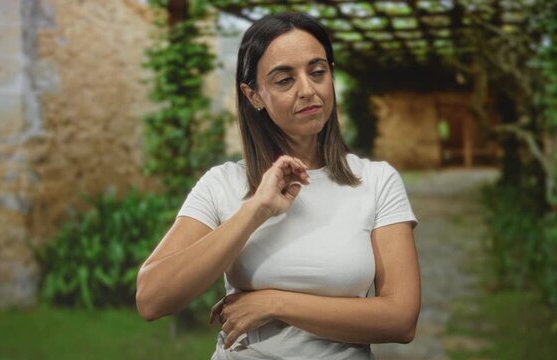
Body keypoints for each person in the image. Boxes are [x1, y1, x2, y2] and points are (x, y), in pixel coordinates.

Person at [136, 12, 421, 360]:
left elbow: (401, 320)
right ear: (253, 95)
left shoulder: (376, 181)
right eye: (285, 80)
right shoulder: (222, 184)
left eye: (318, 72)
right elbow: (152, 298)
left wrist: (275, 303)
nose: (308, 90)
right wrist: (255, 210)